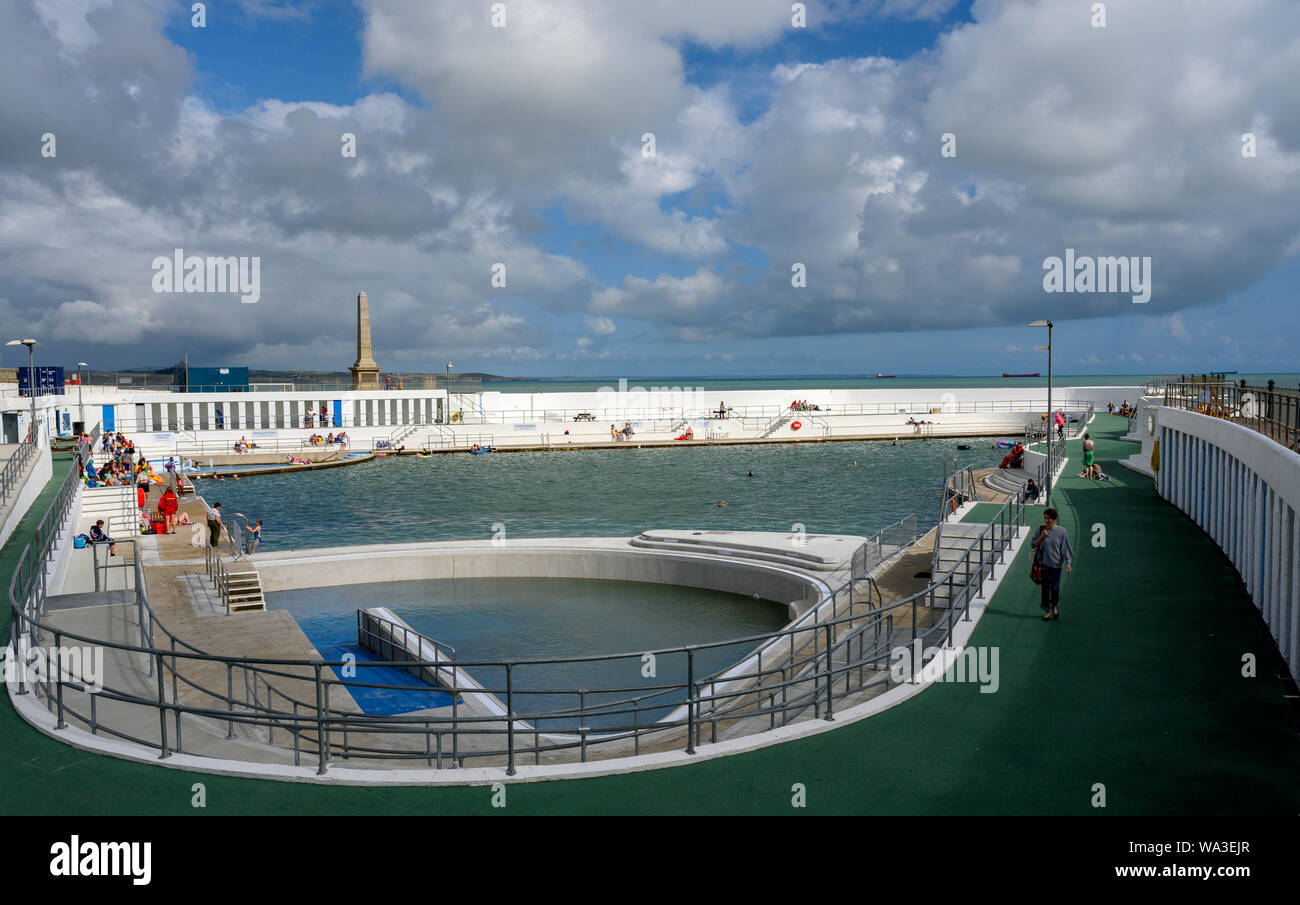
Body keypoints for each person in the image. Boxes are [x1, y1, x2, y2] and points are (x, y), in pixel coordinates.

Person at [1031, 507, 1073, 621]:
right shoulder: (1041, 529)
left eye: (1048, 518)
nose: (1046, 520)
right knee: (1045, 589)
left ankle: (1054, 607)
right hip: (1044, 565)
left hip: (1056, 566)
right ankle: (1046, 611)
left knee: (1055, 588)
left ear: (1054, 518)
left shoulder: (1061, 531)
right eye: (1045, 518)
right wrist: (1042, 536)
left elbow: (1065, 549)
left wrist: (1068, 563)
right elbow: (1033, 544)